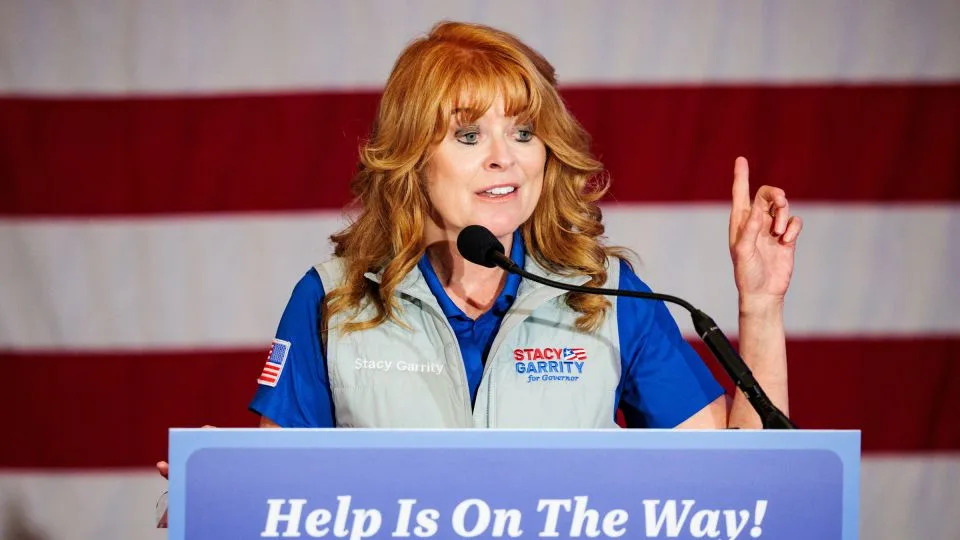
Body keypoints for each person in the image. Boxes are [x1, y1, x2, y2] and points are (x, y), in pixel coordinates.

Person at [157, 20, 802, 482]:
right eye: (468, 134)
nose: (505, 158)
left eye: (524, 131)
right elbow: (281, 498)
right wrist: (225, 487)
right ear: (412, 160)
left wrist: (762, 305)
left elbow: (737, 485)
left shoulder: (606, 293)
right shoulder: (334, 299)